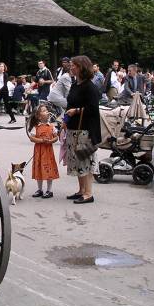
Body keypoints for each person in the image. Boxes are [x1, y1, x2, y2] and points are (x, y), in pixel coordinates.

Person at [64, 55, 101, 204]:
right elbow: (69, 104)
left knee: (84, 160)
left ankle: (88, 193)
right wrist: (65, 121)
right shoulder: (75, 84)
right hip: (73, 128)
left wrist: (77, 111)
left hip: (85, 130)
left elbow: (93, 109)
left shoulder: (90, 87)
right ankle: (81, 190)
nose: (71, 67)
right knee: (77, 161)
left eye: (74, 65)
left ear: (81, 67)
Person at [28, 104, 59, 198]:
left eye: (47, 110)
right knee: (39, 169)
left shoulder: (52, 126)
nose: (47, 112)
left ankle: (49, 190)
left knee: (49, 169)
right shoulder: (36, 127)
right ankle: (40, 189)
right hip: (39, 152)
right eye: (44, 111)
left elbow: (56, 137)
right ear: (38, 116)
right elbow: (32, 138)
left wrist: (50, 141)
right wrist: (41, 140)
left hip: (48, 152)